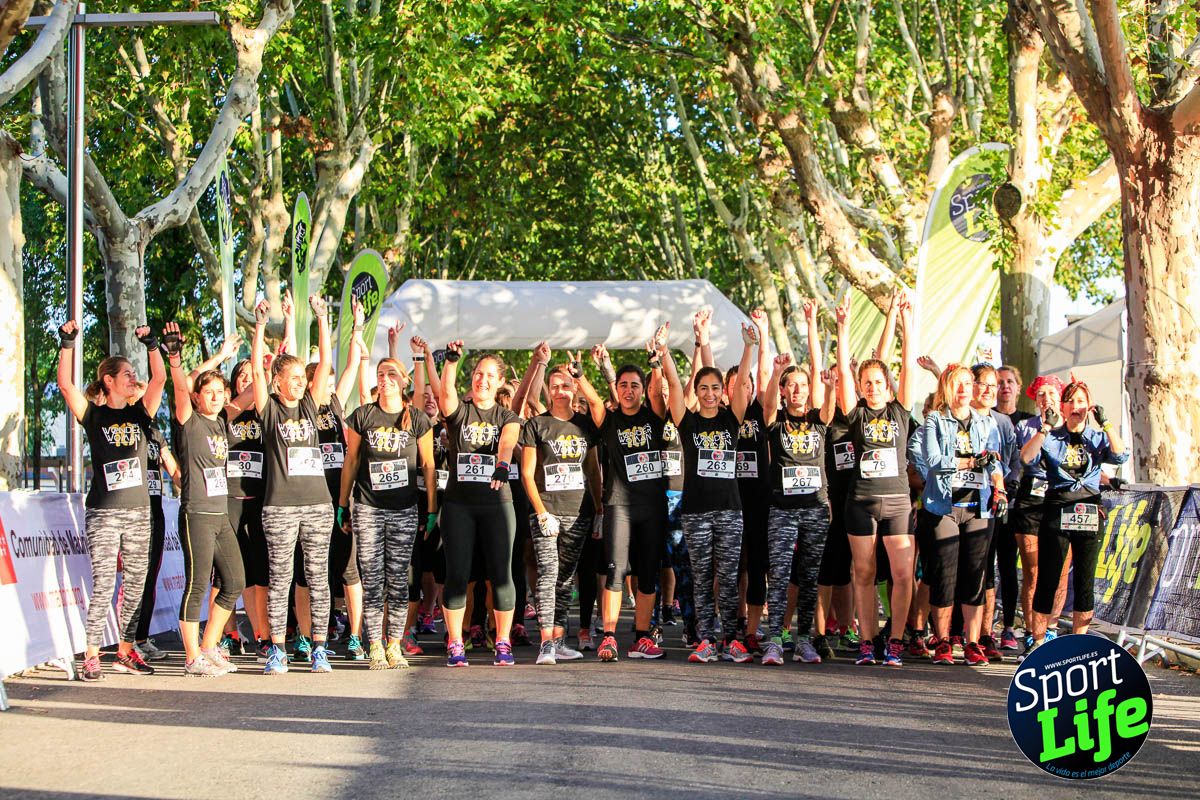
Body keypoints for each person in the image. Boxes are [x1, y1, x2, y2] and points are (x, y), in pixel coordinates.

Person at [57, 320, 166, 681]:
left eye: (136, 374)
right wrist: (68, 343)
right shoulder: (95, 415)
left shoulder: (139, 413)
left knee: (137, 582)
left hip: (138, 512)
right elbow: (66, 385)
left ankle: (125, 649)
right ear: (109, 380)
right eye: (127, 374)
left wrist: (153, 346)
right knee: (105, 583)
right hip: (104, 512)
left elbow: (160, 380)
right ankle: (90, 654)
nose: (134, 379)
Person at [661, 322, 757, 664]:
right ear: (697, 392)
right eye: (704, 388)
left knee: (728, 579)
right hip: (696, 512)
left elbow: (744, 383)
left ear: (723, 392)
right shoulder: (687, 423)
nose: (710, 393)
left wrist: (749, 347)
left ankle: (732, 639)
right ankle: (705, 640)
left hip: (730, 511)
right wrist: (663, 354)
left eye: (716, 388)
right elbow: (673, 384)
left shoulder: (733, 420)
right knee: (702, 578)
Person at [251, 295, 337, 675]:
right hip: (279, 507)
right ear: (278, 382)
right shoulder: (269, 409)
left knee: (318, 576)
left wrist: (322, 318)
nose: (302, 383)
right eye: (295, 378)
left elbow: (327, 367)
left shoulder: (311, 406)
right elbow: (255, 373)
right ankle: (278, 649)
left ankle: (319, 646)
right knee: (280, 577)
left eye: (304, 378)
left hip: (318, 505)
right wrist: (258, 328)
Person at [834, 292, 917, 667]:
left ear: (888, 383)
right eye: (865, 382)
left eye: (877, 381)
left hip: (898, 502)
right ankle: (867, 642)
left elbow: (907, 366)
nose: (871, 387)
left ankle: (895, 641)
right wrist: (842, 328)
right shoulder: (855, 414)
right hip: (860, 502)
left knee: (902, 575)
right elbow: (843, 372)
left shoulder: (900, 409)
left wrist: (903, 324)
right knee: (863, 573)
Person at [340, 353, 435, 669]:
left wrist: (431, 509)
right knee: (372, 578)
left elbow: (429, 465)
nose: (385, 379)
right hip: (368, 507)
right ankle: (375, 645)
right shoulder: (363, 415)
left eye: (392, 374)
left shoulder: (417, 419)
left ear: (403, 381)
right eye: (380, 374)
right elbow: (351, 461)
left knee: (399, 580)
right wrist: (343, 504)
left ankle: (395, 643)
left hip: (404, 509)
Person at [1020, 380, 1127, 658]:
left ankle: (1079, 644)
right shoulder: (1053, 438)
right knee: (1049, 578)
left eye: (1082, 402)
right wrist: (1045, 428)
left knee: (1084, 580)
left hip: (1089, 510)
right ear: (1063, 407)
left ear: (1089, 407)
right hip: (1058, 508)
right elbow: (1027, 458)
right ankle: (1039, 642)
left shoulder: (1097, 437)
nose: (1077, 407)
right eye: (1072, 402)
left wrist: (1107, 424)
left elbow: (1121, 455)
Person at [164, 322, 246, 677]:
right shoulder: (190, 420)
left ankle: (210, 645)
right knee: (197, 584)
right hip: (196, 512)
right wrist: (174, 358)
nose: (214, 396)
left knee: (235, 581)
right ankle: (191, 656)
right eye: (207, 391)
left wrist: (273, 337)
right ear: (198, 397)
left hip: (220, 514)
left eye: (219, 391)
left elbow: (255, 387)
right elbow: (183, 384)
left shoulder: (223, 421)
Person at [576, 344, 668, 662]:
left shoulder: (654, 416)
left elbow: (659, 393)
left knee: (648, 575)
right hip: (619, 507)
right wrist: (579, 375)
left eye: (635, 385)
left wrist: (656, 362)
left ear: (643, 390)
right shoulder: (610, 420)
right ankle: (610, 636)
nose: (629, 391)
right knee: (615, 573)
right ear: (616, 389)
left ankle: (642, 638)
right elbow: (591, 401)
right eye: (623, 385)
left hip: (652, 508)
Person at [911, 364, 1006, 667]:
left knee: (975, 577)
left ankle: (973, 642)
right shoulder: (934, 421)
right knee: (944, 576)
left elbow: (994, 463)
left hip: (978, 506)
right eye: (958, 384)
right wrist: (968, 463)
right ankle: (941, 641)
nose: (964, 389)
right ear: (947, 389)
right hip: (943, 506)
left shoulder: (985, 423)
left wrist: (999, 487)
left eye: (968, 383)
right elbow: (934, 461)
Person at [437, 341, 523, 667]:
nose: (482, 380)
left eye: (489, 375)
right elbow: (445, 397)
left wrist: (502, 464)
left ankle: (502, 641)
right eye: (476, 374)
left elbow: (508, 440)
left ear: (500, 381)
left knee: (501, 574)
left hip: (497, 505)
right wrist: (451, 362)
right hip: (460, 504)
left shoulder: (507, 415)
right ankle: (455, 642)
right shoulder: (461, 410)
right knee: (457, 573)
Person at [520, 354, 602, 664]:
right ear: (548, 390)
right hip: (546, 510)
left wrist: (599, 511)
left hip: (579, 511)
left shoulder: (585, 426)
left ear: (574, 389)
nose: (560, 391)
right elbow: (528, 473)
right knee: (548, 573)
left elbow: (593, 471)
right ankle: (545, 644)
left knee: (566, 579)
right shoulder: (537, 425)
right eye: (554, 386)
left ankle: (559, 637)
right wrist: (541, 512)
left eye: (565, 385)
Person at [760, 335, 836, 666]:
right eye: (791, 386)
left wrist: (831, 386)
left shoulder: (818, 419)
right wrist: (776, 372)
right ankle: (775, 638)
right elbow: (765, 407)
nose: (797, 391)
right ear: (783, 391)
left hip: (816, 510)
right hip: (782, 510)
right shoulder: (776, 421)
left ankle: (804, 638)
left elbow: (831, 409)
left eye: (802, 385)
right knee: (778, 574)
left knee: (809, 575)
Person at [1012, 374, 1066, 650]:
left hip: (1061, 501)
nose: (1047, 399)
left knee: (1059, 571)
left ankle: (1052, 629)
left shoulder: (1071, 427)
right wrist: (1044, 429)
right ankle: (1034, 631)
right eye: (1041, 394)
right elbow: (1022, 459)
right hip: (1030, 502)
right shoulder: (1025, 426)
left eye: (1052, 393)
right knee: (1033, 571)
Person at [132, 403, 179, 663]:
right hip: (132, 511)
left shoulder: (155, 433)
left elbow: (172, 469)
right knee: (134, 580)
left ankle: (141, 638)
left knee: (150, 578)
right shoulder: (126, 428)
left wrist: (188, 481)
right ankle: (126, 641)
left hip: (156, 512)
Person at [992, 364, 1033, 651]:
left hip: (1019, 503)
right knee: (983, 567)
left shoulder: (1029, 421)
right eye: (999, 382)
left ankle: (1008, 626)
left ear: (1018, 387)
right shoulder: (984, 417)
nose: (1004, 386)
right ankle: (981, 630)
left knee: (1009, 566)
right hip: (987, 500)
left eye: (1009, 382)